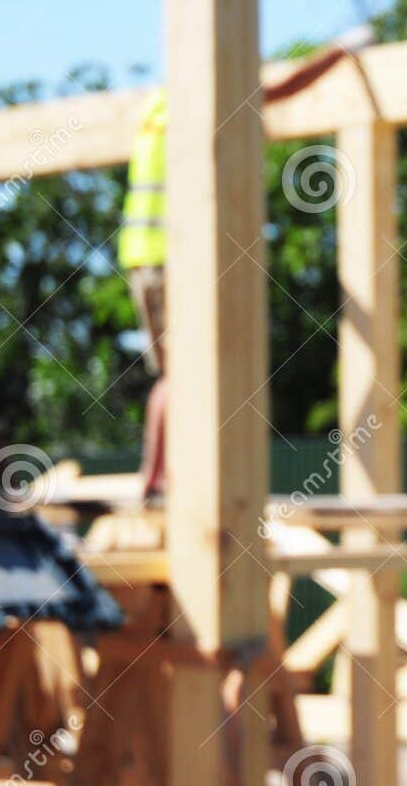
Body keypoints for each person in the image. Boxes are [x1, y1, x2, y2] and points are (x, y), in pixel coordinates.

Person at [121, 38, 363, 498]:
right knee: (198, 369)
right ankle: (171, 476)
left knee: (173, 374)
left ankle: (154, 475)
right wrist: (342, 51)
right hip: (175, 260)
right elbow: (283, 88)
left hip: (141, 258)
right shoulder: (200, 103)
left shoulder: (157, 106)